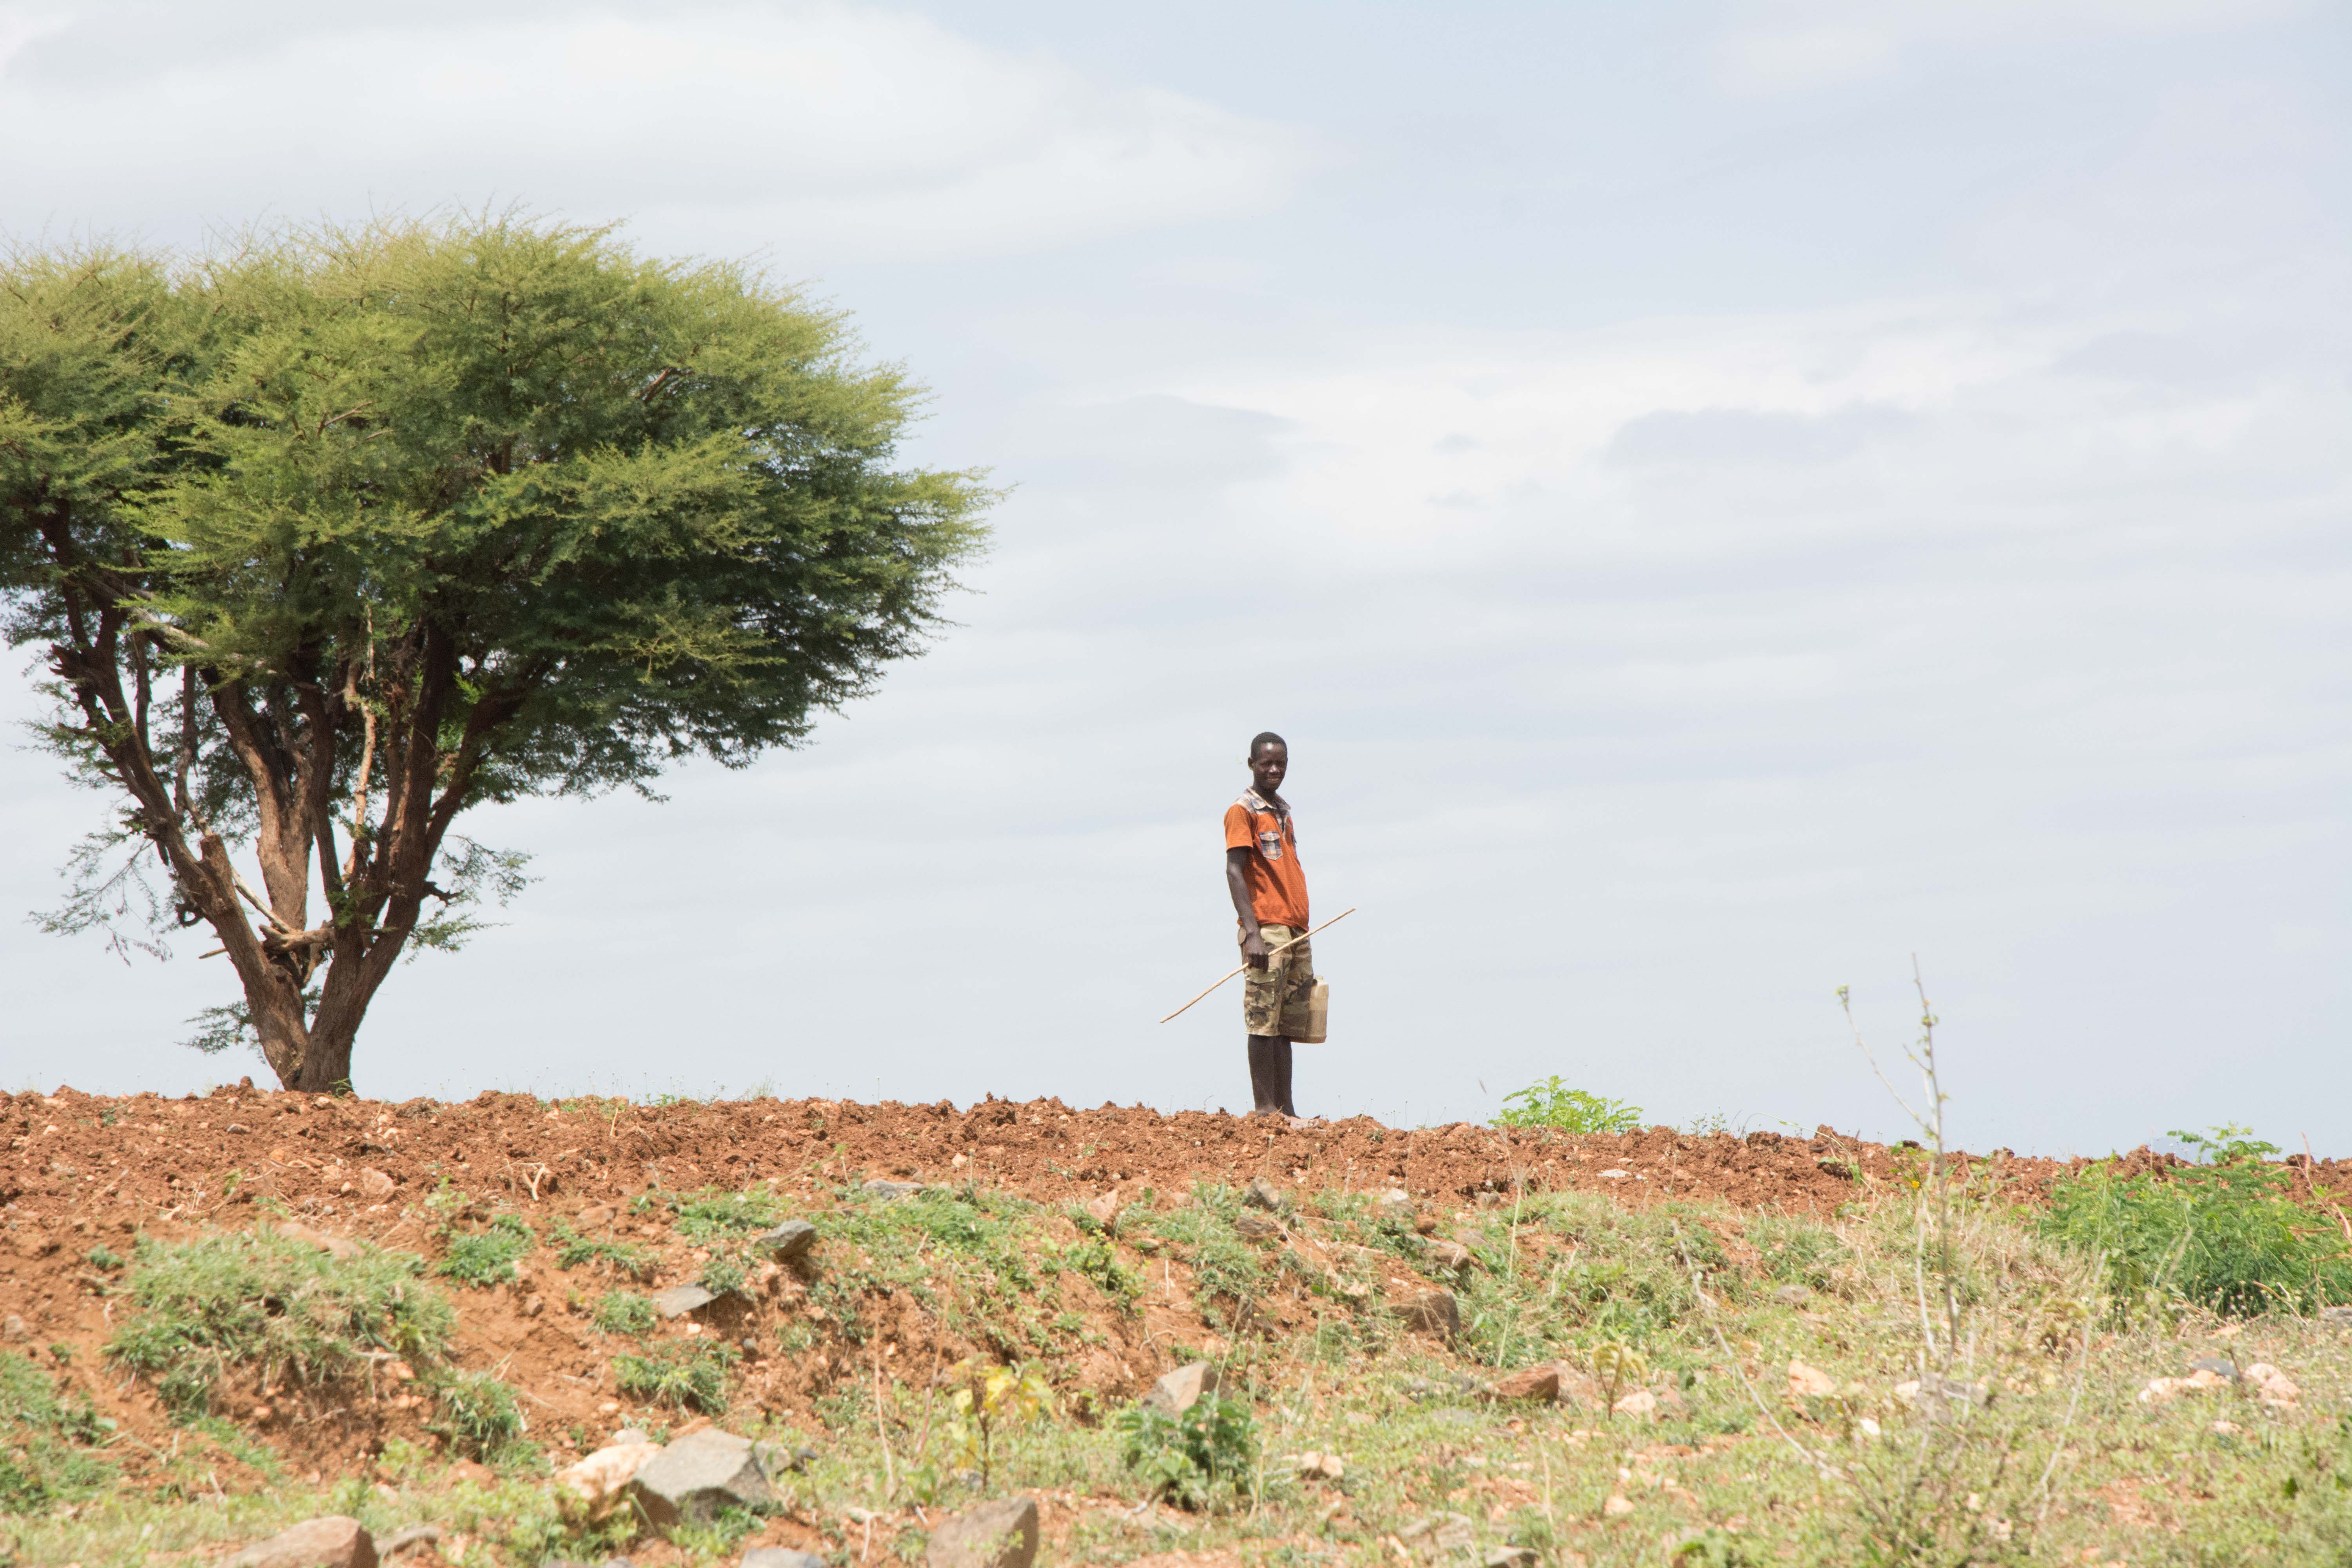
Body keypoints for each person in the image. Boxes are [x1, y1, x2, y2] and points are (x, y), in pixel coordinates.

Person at [1224, 731, 1314, 1118]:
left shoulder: (1282, 811)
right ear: (1252, 765)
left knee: (1285, 1024)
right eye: (1266, 763)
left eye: (1280, 763)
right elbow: (1234, 871)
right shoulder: (1243, 810)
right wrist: (1253, 933)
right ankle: (1265, 1110)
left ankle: (1286, 1111)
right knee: (1262, 1019)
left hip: (1295, 927)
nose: (1274, 770)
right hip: (1268, 929)